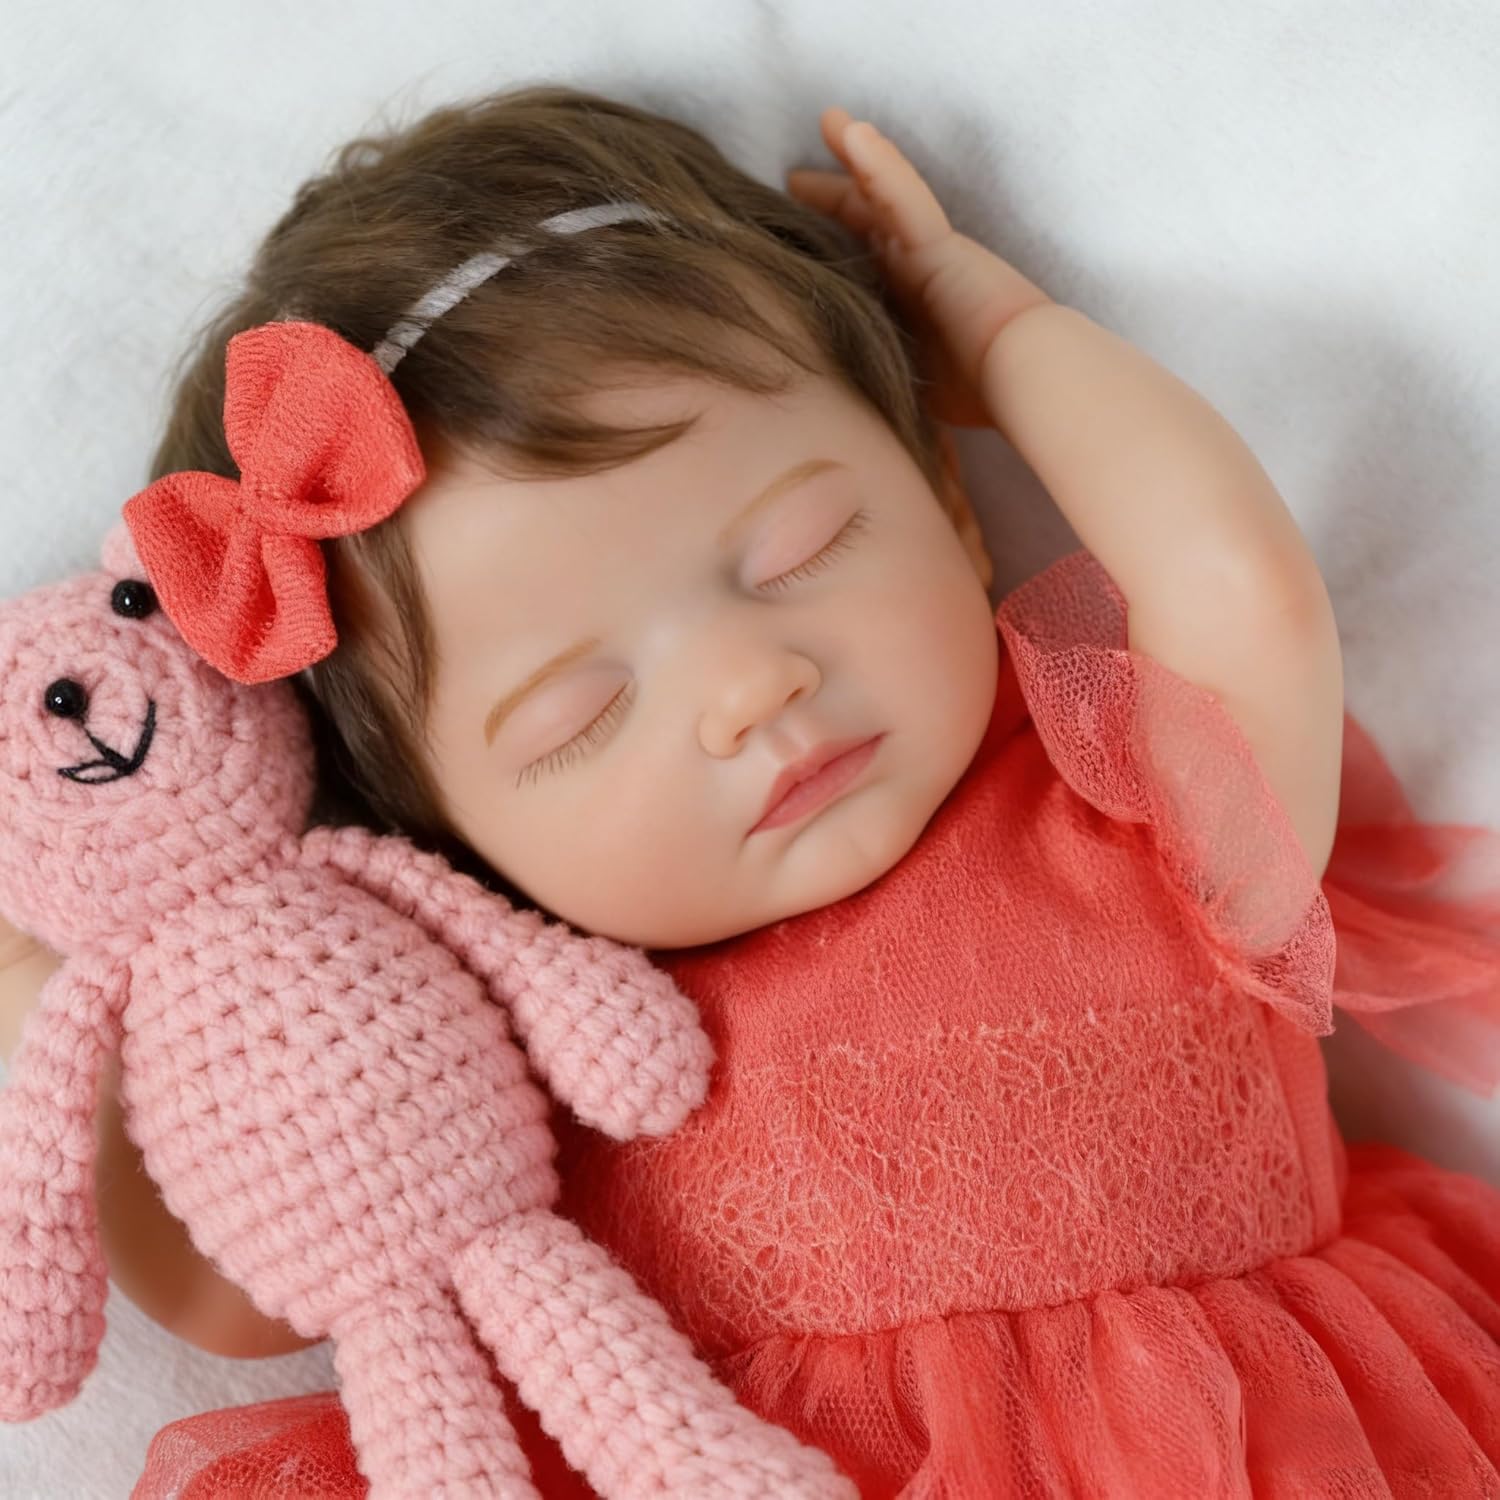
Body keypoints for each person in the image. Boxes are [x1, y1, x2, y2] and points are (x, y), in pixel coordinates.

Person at [3, 82, 1498, 1498]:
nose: (748, 689)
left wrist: (998, 330)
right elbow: (243, 1279)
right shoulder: (499, 1065)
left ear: (951, 501)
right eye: (580, 715)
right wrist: (34, 978)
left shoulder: (1137, 819)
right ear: (441, 832)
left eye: (802, 550)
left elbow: (1238, 583)